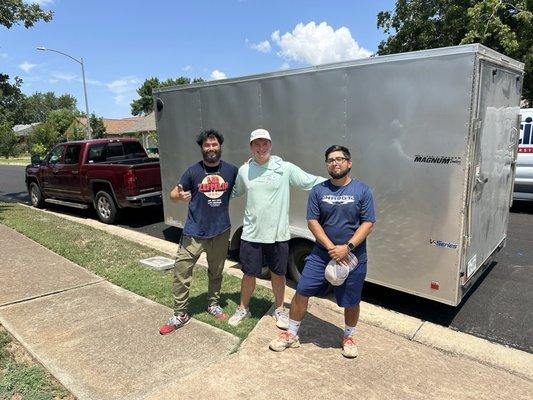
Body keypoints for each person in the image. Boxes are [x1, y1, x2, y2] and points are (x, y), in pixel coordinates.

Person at [268, 145, 375, 358]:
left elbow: (368, 223)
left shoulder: (362, 191)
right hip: (321, 253)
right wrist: (330, 247)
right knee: (302, 291)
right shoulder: (319, 190)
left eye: (340, 159)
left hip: (353, 255)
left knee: (351, 300)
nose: (335, 163)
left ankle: (349, 336)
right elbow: (312, 221)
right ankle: (291, 334)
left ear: (349, 163)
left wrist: (347, 247)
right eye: (330, 160)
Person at [228, 128, 326, 328]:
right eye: (257, 144)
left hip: (278, 235)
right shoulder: (244, 170)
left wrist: (338, 184)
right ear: (251, 147)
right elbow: (234, 191)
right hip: (251, 234)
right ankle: (242, 309)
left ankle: (279, 309)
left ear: (270, 146)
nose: (261, 148)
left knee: (278, 274)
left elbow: (310, 181)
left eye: (265, 144)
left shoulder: (285, 168)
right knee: (248, 274)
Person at [159, 129, 238, 335]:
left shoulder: (231, 171)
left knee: (216, 272)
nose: (211, 148)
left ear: (220, 146)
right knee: (181, 272)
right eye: (207, 145)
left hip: (220, 232)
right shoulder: (192, 172)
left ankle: (212, 304)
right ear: (202, 148)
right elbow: (173, 193)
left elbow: (246, 182)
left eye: (214, 144)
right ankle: (180, 313)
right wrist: (179, 196)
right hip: (193, 233)